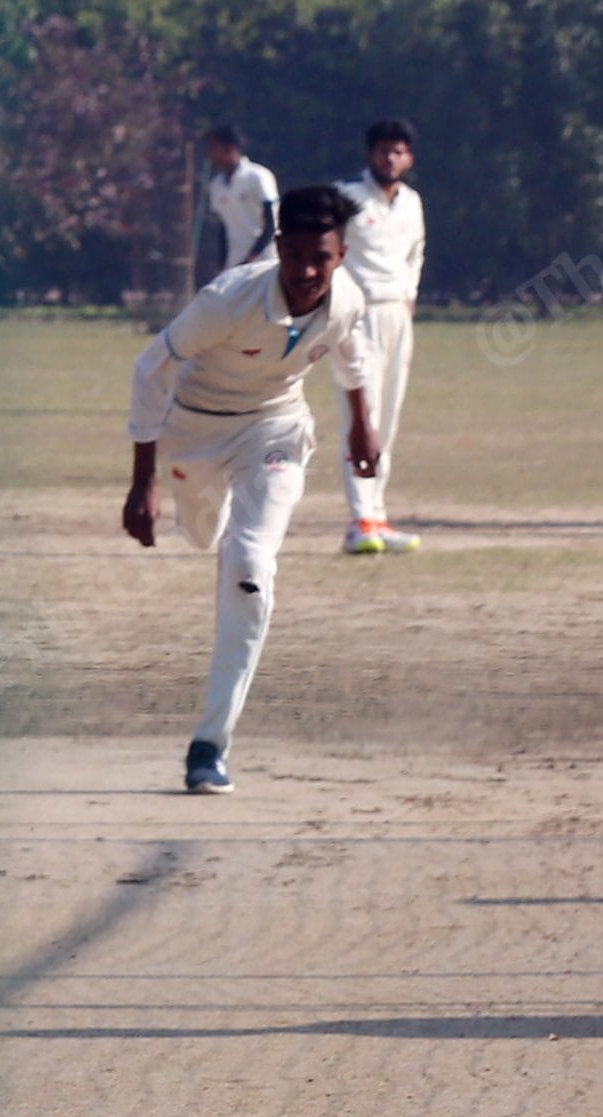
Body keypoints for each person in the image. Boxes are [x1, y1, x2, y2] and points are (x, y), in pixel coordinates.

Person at [122, 185, 380, 797]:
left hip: (275, 429)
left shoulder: (347, 298)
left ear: (341, 252)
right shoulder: (228, 300)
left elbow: (349, 352)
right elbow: (150, 366)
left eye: (322, 257)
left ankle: (210, 744)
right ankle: (206, 523)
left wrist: (363, 426)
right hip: (194, 435)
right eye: (297, 257)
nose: (309, 272)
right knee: (204, 534)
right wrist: (144, 479)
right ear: (279, 248)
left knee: (248, 564)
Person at [335, 118, 425, 555]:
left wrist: (409, 295)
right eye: (384, 150)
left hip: (396, 315)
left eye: (399, 151)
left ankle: (378, 514)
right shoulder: (347, 197)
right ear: (370, 153)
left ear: (409, 158)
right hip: (358, 315)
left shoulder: (411, 202)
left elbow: (415, 252)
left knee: (387, 418)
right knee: (361, 418)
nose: (390, 158)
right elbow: (326, 250)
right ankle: (359, 521)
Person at [201, 125, 280, 273]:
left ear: (229, 148)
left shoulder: (258, 176)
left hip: (265, 261)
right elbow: (223, 229)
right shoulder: (216, 185)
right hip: (235, 263)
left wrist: (252, 257)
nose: (209, 154)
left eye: (213, 148)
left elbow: (271, 224)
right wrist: (222, 265)